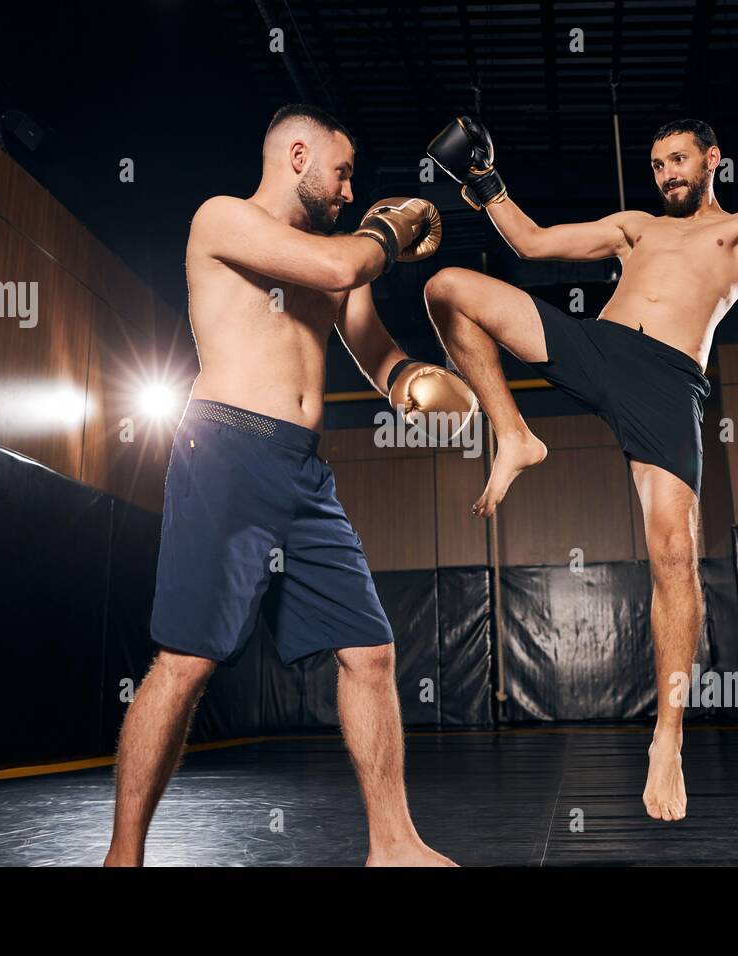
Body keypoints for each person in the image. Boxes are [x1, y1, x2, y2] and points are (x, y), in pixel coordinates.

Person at [421, 40, 738, 821]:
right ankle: (514, 434)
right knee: (448, 287)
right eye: (658, 163)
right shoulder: (634, 227)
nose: (665, 174)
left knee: (673, 555)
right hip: (600, 348)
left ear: (712, 161)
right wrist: (485, 181)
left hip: (668, 384)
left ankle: (667, 737)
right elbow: (529, 244)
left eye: (678, 161)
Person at [104, 103, 472, 866]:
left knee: (370, 652)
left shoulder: (333, 253)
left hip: (305, 471)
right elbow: (348, 265)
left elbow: (372, 348)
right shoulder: (224, 220)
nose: (347, 191)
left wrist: (413, 382)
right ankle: (124, 856)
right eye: (341, 173)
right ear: (297, 154)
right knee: (186, 664)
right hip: (227, 451)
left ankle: (394, 845)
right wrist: (392, 227)